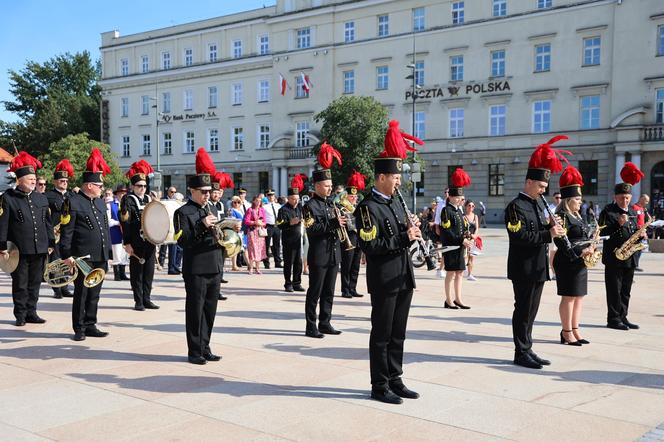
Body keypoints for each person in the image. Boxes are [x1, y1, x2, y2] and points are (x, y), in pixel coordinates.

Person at [356, 119, 423, 405]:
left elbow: (401, 235)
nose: (399, 181)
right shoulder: (367, 208)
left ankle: (395, 378)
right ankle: (379, 384)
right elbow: (370, 246)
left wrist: (414, 230)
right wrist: (404, 238)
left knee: (399, 333)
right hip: (384, 278)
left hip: (403, 275)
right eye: (395, 177)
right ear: (382, 176)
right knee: (382, 334)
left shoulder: (395, 202)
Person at [505, 135, 568, 369]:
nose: (543, 191)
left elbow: (541, 232)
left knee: (532, 311)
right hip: (523, 267)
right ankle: (520, 352)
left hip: (539, 266)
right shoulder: (515, 207)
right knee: (522, 309)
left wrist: (553, 228)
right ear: (529, 182)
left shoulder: (538, 205)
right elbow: (520, 237)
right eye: (541, 186)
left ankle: (528, 348)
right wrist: (548, 234)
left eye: (545, 187)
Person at [173, 153, 224, 365]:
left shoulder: (211, 208)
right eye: (203, 192)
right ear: (192, 191)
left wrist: (227, 228)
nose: (207, 195)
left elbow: (217, 233)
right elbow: (183, 241)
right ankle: (194, 351)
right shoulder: (182, 212)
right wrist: (202, 226)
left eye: (208, 192)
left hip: (214, 264)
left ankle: (205, 346)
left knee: (210, 311)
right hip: (196, 268)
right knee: (195, 311)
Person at [59, 148, 112, 341]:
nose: (101, 187)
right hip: (82, 257)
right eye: (99, 184)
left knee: (95, 292)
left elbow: (104, 228)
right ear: (90, 185)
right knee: (82, 293)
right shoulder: (72, 202)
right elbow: (67, 231)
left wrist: (108, 253)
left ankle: (91, 323)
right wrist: (66, 255)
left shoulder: (98, 202)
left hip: (100, 255)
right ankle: (79, 328)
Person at [0, 151, 54, 326]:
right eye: (30, 178)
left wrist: (51, 242)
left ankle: (32, 312)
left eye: (34, 177)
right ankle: (20, 315)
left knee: (35, 282)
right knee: (20, 284)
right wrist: (2, 245)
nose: (33, 180)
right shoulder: (9, 198)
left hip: (39, 248)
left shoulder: (41, 198)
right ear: (19, 180)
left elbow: (47, 222)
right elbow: (3, 223)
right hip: (19, 249)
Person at [303, 143, 345, 338]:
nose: (330, 189)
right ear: (318, 186)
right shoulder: (309, 206)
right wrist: (334, 224)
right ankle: (311, 325)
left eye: (330, 186)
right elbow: (312, 230)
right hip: (319, 254)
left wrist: (342, 223)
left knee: (329, 291)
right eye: (327, 186)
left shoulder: (331, 204)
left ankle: (325, 321)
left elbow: (335, 225)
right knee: (315, 292)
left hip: (333, 253)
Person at [599, 162, 645, 331]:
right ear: (615, 197)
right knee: (614, 290)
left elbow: (634, 231)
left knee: (626, 290)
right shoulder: (608, 211)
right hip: (614, 257)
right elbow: (602, 232)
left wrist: (641, 236)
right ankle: (613, 319)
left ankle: (623, 317)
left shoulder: (632, 211)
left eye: (627, 197)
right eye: (621, 198)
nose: (624, 200)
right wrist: (617, 224)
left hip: (629, 257)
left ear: (630, 197)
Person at [554, 165, 594, 346]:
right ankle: (566, 332)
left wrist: (591, 246)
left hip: (581, 261)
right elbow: (561, 241)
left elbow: (583, 236)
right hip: (568, 261)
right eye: (577, 199)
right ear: (569, 199)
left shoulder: (578, 215)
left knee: (579, 297)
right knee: (569, 297)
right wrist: (578, 253)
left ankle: (575, 329)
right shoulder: (561, 215)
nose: (580, 202)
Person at [121, 160, 159, 311]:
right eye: (139, 186)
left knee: (149, 271)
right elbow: (125, 223)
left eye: (144, 186)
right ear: (133, 186)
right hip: (135, 241)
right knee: (137, 272)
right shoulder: (127, 199)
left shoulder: (149, 199)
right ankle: (138, 301)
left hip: (149, 241)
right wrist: (127, 243)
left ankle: (147, 298)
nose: (142, 188)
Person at [440, 168, 474, 309]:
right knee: (450, 273)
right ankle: (448, 300)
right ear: (452, 197)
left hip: (459, 247)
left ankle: (458, 299)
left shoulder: (458, 211)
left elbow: (462, 228)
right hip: (451, 247)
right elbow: (447, 231)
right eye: (459, 197)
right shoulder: (446, 211)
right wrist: (461, 240)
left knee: (460, 272)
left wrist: (468, 236)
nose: (461, 199)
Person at [45, 159, 75, 298]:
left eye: (66, 181)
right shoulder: (48, 196)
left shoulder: (71, 196)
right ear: (55, 182)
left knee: (66, 260)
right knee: (55, 262)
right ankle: (56, 288)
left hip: (68, 234)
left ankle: (65, 286)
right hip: (55, 234)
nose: (64, 183)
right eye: (61, 180)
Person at [340, 171, 366, 299]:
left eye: (355, 197)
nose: (354, 199)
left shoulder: (358, 207)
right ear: (346, 197)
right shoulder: (343, 208)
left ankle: (352, 288)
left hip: (358, 238)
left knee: (356, 265)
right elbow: (349, 224)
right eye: (351, 197)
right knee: (347, 264)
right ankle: (345, 289)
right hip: (349, 237)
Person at [277, 176, 305, 293]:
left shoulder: (299, 207)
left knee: (299, 262)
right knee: (289, 262)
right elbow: (279, 224)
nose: (296, 201)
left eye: (297, 199)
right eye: (293, 199)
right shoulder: (283, 210)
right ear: (288, 198)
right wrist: (289, 223)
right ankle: (288, 283)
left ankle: (297, 283)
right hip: (289, 240)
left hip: (299, 239)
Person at [210, 171, 235, 299]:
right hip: (212, 238)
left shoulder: (221, 204)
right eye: (214, 192)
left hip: (222, 238)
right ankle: (213, 291)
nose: (217, 195)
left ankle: (217, 290)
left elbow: (224, 219)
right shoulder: (207, 205)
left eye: (218, 192)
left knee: (220, 266)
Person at [243, 195, 267, 274]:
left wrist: (262, 223)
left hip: (260, 232)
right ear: (253, 201)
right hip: (252, 231)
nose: (258, 202)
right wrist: (254, 222)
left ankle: (257, 268)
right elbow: (246, 221)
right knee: (252, 249)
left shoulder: (262, 210)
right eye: (256, 201)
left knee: (259, 249)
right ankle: (251, 268)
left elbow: (265, 221)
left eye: (260, 201)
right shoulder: (250, 210)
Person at [111, 185, 129, 280]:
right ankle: (117, 275)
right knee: (117, 254)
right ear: (117, 194)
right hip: (115, 232)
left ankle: (123, 273)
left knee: (124, 254)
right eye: (121, 192)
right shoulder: (111, 204)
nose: (123, 194)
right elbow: (109, 221)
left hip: (125, 232)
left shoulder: (127, 205)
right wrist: (119, 223)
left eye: (124, 193)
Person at [263, 189, 283, 269]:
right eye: (269, 195)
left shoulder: (278, 205)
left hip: (276, 226)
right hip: (268, 226)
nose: (271, 197)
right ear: (267, 196)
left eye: (272, 195)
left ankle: (277, 262)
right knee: (266, 245)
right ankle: (266, 263)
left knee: (277, 245)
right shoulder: (264, 207)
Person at [434, 188, 450, 278]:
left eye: (448, 192)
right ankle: (440, 269)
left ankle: (445, 268)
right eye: (445, 192)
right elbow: (437, 216)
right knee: (446, 248)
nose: (447, 193)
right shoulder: (441, 204)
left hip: (452, 227)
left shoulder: (453, 202)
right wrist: (437, 227)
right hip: (443, 227)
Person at [632, 193, 650, 272]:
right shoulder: (634, 208)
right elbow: (634, 221)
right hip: (636, 232)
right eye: (646, 201)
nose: (647, 203)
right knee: (635, 249)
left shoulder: (642, 209)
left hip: (641, 232)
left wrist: (644, 231)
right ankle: (634, 265)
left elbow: (642, 221)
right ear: (641, 199)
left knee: (639, 249)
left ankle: (636, 264)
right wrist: (640, 230)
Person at [464, 199, 480, 281]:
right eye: (469, 205)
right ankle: (462, 270)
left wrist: (475, 236)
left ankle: (470, 274)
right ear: (465, 207)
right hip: (465, 239)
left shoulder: (475, 216)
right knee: (464, 256)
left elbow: (477, 228)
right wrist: (468, 236)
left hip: (473, 239)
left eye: (472, 206)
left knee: (471, 257)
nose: (471, 207)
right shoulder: (463, 216)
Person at [229, 196, 245, 270]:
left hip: (242, 230)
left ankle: (247, 263)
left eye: (238, 202)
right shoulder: (232, 210)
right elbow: (232, 221)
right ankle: (234, 265)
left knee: (242, 248)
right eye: (234, 202)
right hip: (236, 230)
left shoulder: (241, 210)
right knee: (235, 248)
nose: (236, 204)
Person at [548, 191, 562, 279]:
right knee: (553, 255)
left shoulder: (564, 208)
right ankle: (554, 273)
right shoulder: (549, 208)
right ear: (553, 198)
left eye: (560, 197)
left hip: (563, 234)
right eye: (557, 197)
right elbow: (546, 222)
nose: (559, 199)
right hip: (554, 235)